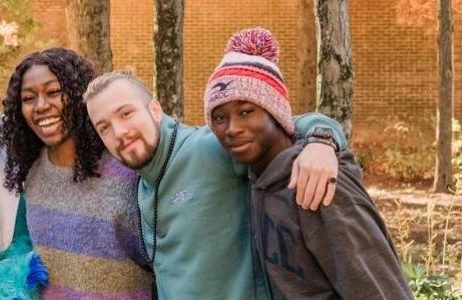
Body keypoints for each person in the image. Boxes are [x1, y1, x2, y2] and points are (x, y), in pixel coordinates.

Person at [83, 70, 348, 298]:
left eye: (126, 113)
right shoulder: (142, 185)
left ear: (155, 109)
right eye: (104, 127)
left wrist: (321, 141)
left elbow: (288, 124)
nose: (119, 132)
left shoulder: (209, 147)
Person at [205, 28, 412, 300]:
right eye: (219, 118)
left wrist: (323, 140)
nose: (232, 128)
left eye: (246, 112)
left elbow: (382, 290)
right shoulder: (256, 179)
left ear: (276, 112)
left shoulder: (320, 185)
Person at [0, 47, 152, 299]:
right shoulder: (31, 175)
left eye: (54, 92)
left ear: (79, 95)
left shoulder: (126, 168)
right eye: (28, 98)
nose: (40, 106)